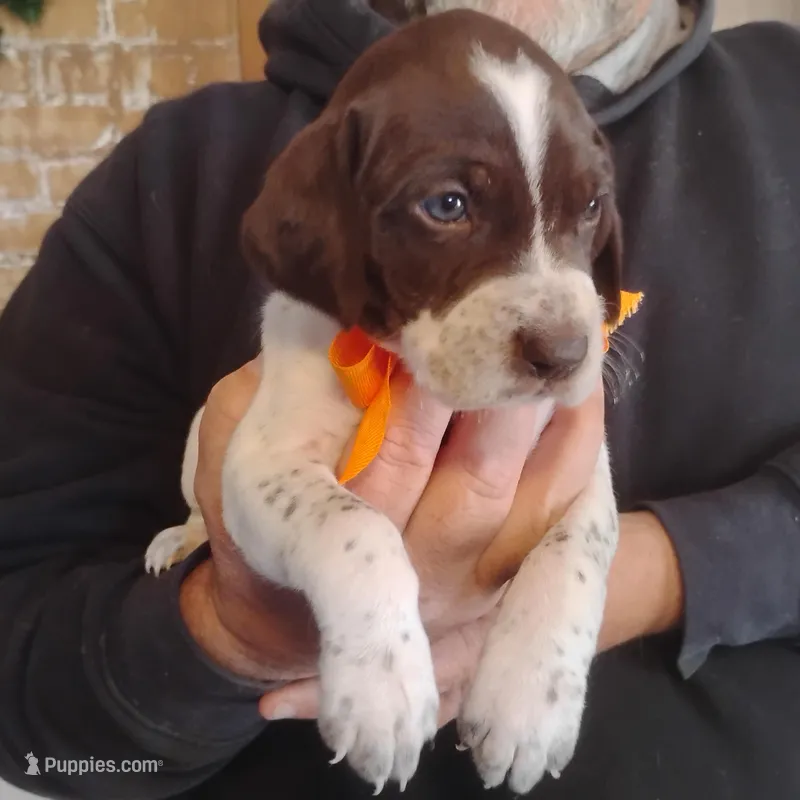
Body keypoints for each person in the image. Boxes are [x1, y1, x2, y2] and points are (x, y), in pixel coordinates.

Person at [0, 0, 798, 798]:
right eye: (447, 205)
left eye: (587, 208)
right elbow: (29, 711)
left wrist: (625, 587)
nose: (562, 327)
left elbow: (586, 491)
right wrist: (236, 632)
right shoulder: (185, 176)